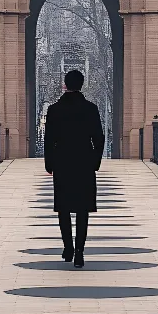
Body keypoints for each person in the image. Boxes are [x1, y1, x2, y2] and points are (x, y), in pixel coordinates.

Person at [43, 69, 105, 268]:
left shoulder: (54, 110)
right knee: (82, 210)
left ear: (65, 85)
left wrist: (49, 163)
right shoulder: (91, 109)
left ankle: (67, 247)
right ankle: (80, 251)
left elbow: (49, 139)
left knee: (63, 208)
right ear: (82, 84)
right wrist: (95, 161)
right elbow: (99, 138)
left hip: (62, 162)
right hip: (84, 163)